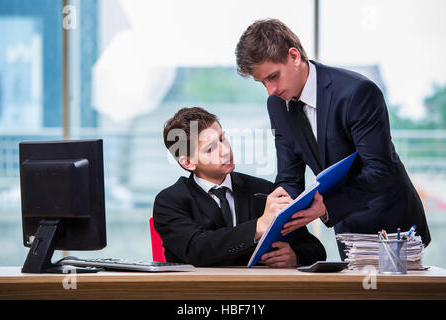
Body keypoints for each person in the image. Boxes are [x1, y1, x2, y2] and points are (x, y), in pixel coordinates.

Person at [235, 18, 430, 259]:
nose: (270, 90)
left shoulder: (357, 92)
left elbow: (381, 169)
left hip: (393, 224)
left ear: (294, 57)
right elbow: (289, 175)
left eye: (273, 76)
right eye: (262, 82)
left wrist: (326, 206)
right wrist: (280, 202)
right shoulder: (277, 105)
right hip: (348, 230)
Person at [153, 107, 326, 267]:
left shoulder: (263, 190)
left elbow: (315, 249)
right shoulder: (169, 201)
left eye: (222, 139)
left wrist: (295, 256)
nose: (226, 151)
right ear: (188, 162)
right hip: (199, 293)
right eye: (210, 149)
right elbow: (197, 249)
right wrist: (258, 227)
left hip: (257, 292)